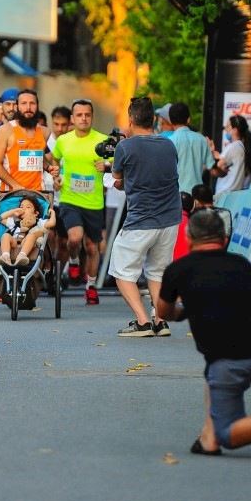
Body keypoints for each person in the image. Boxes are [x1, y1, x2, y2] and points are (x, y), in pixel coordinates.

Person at [156, 209, 251, 458]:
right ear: (225, 239)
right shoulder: (241, 263)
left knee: (229, 433)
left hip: (231, 358)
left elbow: (164, 311)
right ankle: (209, 437)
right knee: (212, 372)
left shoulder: (179, 269)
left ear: (188, 237)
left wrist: (182, 310)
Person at [108, 96, 182, 337]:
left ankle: (142, 321)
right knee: (158, 272)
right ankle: (160, 320)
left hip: (141, 220)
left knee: (121, 271)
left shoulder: (125, 146)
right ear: (153, 120)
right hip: (170, 219)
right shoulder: (169, 146)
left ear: (130, 119)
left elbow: (118, 179)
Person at [51, 98, 109, 305]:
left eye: (87, 115)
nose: (83, 118)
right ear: (73, 118)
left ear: (92, 117)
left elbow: (117, 166)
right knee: (74, 238)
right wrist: (56, 175)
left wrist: (107, 167)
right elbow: (53, 160)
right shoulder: (63, 141)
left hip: (94, 202)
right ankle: (74, 260)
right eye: (79, 115)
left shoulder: (103, 140)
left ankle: (91, 286)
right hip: (70, 199)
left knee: (93, 248)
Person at [164, 102, 214, 194]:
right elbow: (212, 167)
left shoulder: (168, 142)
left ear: (170, 121)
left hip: (176, 195)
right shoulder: (201, 139)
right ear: (188, 120)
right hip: (197, 195)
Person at [210, 114, 251, 196]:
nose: (225, 129)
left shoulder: (233, 147)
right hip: (232, 193)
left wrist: (211, 152)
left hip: (225, 194)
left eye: (228, 126)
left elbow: (217, 168)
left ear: (235, 130)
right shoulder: (240, 146)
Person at [0, 196, 55, 265]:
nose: (24, 209)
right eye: (21, 207)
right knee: (6, 235)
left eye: (28, 207)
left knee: (32, 236)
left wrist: (52, 213)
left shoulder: (39, 221)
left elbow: (51, 223)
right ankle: (5, 256)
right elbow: (0, 218)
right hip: (14, 243)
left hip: (28, 244)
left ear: (36, 213)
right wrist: (13, 211)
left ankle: (22, 256)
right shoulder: (15, 221)